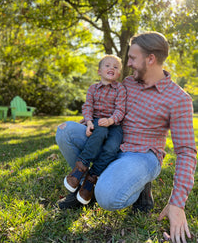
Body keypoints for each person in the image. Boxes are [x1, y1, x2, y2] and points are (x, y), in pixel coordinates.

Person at [55, 31, 197, 243]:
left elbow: (186, 152)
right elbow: (106, 105)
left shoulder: (178, 99)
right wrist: (89, 122)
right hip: (112, 143)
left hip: (142, 155)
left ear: (150, 59)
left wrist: (177, 203)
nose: (128, 63)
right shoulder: (128, 84)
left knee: (108, 196)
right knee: (65, 131)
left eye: (132, 58)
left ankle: (139, 188)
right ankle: (87, 186)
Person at [64, 55, 126, 204]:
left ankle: (92, 177)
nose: (111, 68)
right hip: (97, 121)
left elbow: (120, 109)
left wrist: (111, 120)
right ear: (99, 71)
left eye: (115, 67)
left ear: (118, 74)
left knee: (112, 147)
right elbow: (88, 106)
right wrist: (90, 122)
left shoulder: (120, 89)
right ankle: (81, 166)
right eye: (107, 66)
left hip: (115, 124)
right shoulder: (93, 88)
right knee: (100, 131)